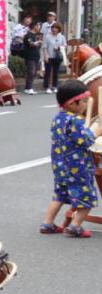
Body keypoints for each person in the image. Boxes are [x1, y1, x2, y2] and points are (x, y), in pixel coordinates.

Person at [40, 80, 102, 237]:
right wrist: (97, 132)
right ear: (72, 104)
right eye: (85, 101)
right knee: (86, 198)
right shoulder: (75, 121)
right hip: (77, 166)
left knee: (59, 194)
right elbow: (85, 141)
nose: (87, 104)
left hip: (60, 165)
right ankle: (75, 226)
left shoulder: (58, 118)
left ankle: (47, 223)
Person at [42, 22, 67, 94]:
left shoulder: (61, 36)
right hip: (49, 56)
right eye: (53, 28)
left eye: (56, 28)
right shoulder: (47, 36)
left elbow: (64, 45)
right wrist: (45, 56)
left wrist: (59, 47)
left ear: (59, 29)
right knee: (47, 72)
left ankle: (55, 86)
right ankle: (47, 87)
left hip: (57, 57)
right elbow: (44, 47)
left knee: (56, 72)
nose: (54, 29)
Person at [21, 20, 43, 95]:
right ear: (35, 26)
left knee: (33, 73)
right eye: (38, 25)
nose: (39, 27)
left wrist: (38, 43)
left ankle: (29, 88)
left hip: (36, 56)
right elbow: (31, 44)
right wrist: (38, 42)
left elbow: (38, 45)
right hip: (30, 56)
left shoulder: (36, 35)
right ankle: (28, 88)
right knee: (31, 72)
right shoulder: (28, 35)